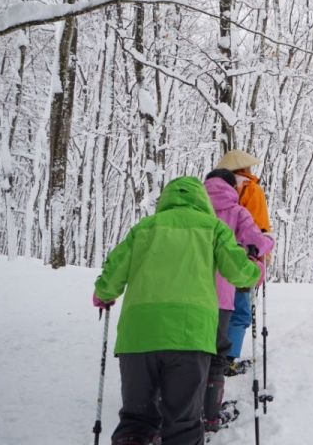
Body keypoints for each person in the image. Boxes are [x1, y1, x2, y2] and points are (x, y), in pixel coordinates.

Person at [92, 176, 261, 445]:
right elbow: (241, 274)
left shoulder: (144, 228)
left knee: (136, 418)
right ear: (201, 201)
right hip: (190, 336)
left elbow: (114, 271)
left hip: (138, 338)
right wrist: (254, 266)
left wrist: (103, 294)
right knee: (182, 422)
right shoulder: (213, 228)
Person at [202, 169, 274, 432]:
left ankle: (182, 408)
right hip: (224, 290)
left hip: (194, 291)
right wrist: (266, 243)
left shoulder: (196, 211)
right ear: (233, 186)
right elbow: (256, 240)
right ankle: (210, 415)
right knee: (216, 356)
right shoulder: (237, 210)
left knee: (193, 354)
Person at [214, 150, 272, 373]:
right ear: (245, 169)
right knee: (240, 311)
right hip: (240, 255)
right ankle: (228, 359)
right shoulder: (251, 188)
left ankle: (211, 355)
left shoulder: (206, 191)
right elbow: (258, 224)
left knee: (217, 307)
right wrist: (262, 254)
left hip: (210, 259)